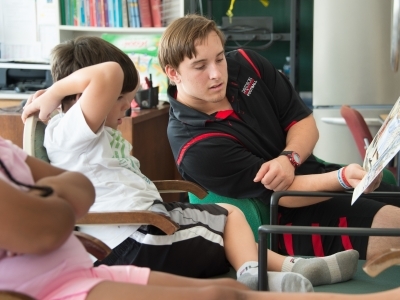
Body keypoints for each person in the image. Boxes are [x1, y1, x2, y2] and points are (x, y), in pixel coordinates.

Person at [21, 36, 359, 292]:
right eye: (121, 99)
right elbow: (108, 73)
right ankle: (260, 274)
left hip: (147, 224)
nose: (129, 106)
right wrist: (55, 91)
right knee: (225, 231)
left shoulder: (89, 132)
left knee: (230, 214)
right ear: (84, 96)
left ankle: (284, 267)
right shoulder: (70, 130)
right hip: (136, 241)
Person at [4, 137, 400, 300]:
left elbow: (79, 190)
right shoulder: (194, 141)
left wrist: (51, 198)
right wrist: (58, 197)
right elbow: (51, 223)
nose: (216, 73)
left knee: (225, 292)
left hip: (80, 270)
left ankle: (269, 269)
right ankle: (267, 266)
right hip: (58, 285)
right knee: (220, 284)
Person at [157, 14, 400, 262]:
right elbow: (283, 195)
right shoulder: (194, 145)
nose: (217, 74)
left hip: (318, 176)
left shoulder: (246, 63)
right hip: (287, 221)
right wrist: (343, 178)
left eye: (219, 58)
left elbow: (303, 123)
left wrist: (289, 159)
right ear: (173, 73)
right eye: (200, 66)